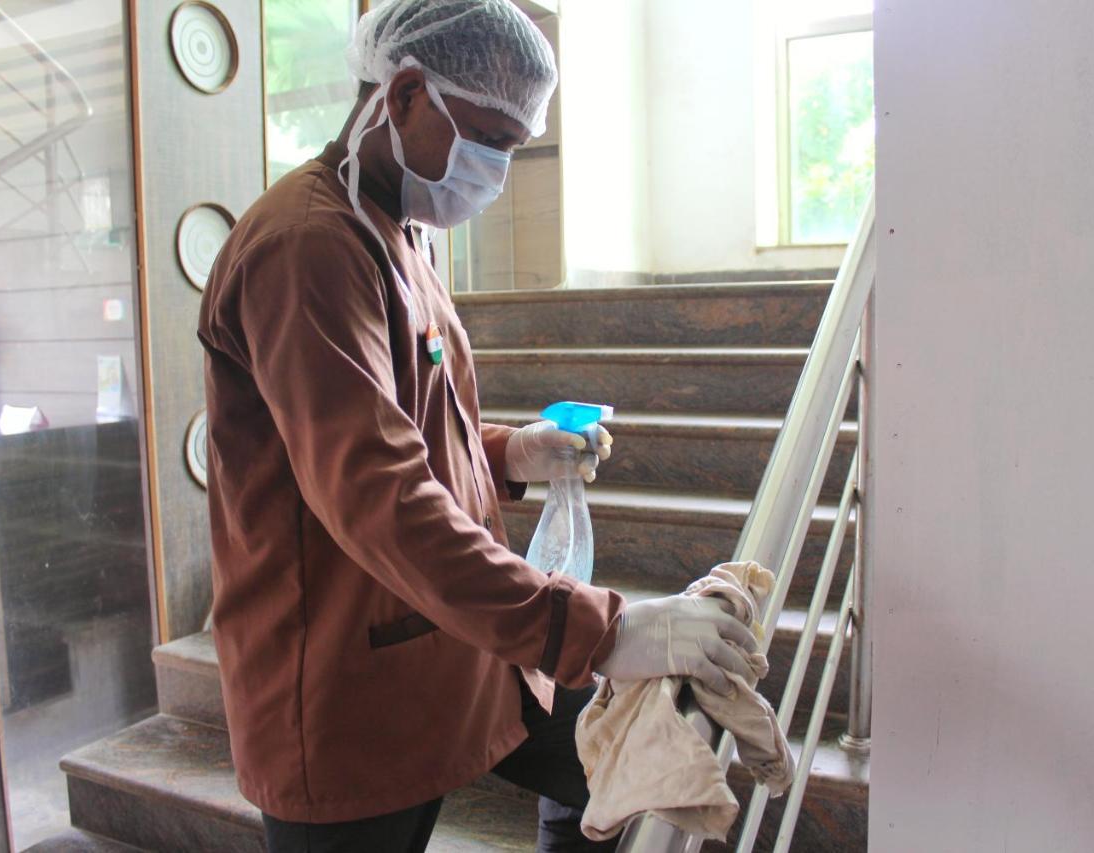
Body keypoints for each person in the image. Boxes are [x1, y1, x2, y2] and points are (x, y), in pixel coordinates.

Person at [196, 1, 759, 851]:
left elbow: (410, 425)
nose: (497, 170)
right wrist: (599, 628)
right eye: (491, 138)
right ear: (408, 94)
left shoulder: (394, 230)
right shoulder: (307, 246)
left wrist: (510, 451)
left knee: (605, 767)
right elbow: (377, 492)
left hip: (436, 638)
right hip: (340, 683)